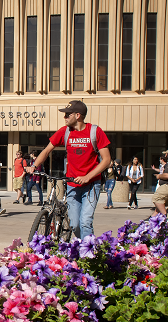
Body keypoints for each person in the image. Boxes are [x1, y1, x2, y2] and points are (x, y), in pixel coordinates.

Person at [26, 100, 111, 239]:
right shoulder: (64, 132)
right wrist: (34, 166)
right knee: (75, 225)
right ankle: (82, 245)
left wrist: (87, 177)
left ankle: (87, 253)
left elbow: (106, 160)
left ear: (78, 115)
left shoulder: (95, 131)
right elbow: (47, 150)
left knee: (85, 223)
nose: (64, 117)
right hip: (72, 184)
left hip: (91, 185)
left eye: (67, 115)